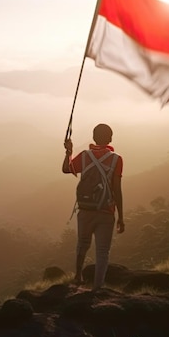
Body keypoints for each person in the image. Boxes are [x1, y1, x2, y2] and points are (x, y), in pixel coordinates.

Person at [62, 123, 124, 290]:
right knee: (102, 251)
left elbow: (66, 169)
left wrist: (69, 152)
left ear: (94, 137)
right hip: (106, 211)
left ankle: (77, 276)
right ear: (110, 138)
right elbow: (117, 189)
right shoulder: (116, 159)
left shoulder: (84, 156)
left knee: (82, 243)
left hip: (85, 209)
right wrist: (121, 217)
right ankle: (97, 287)